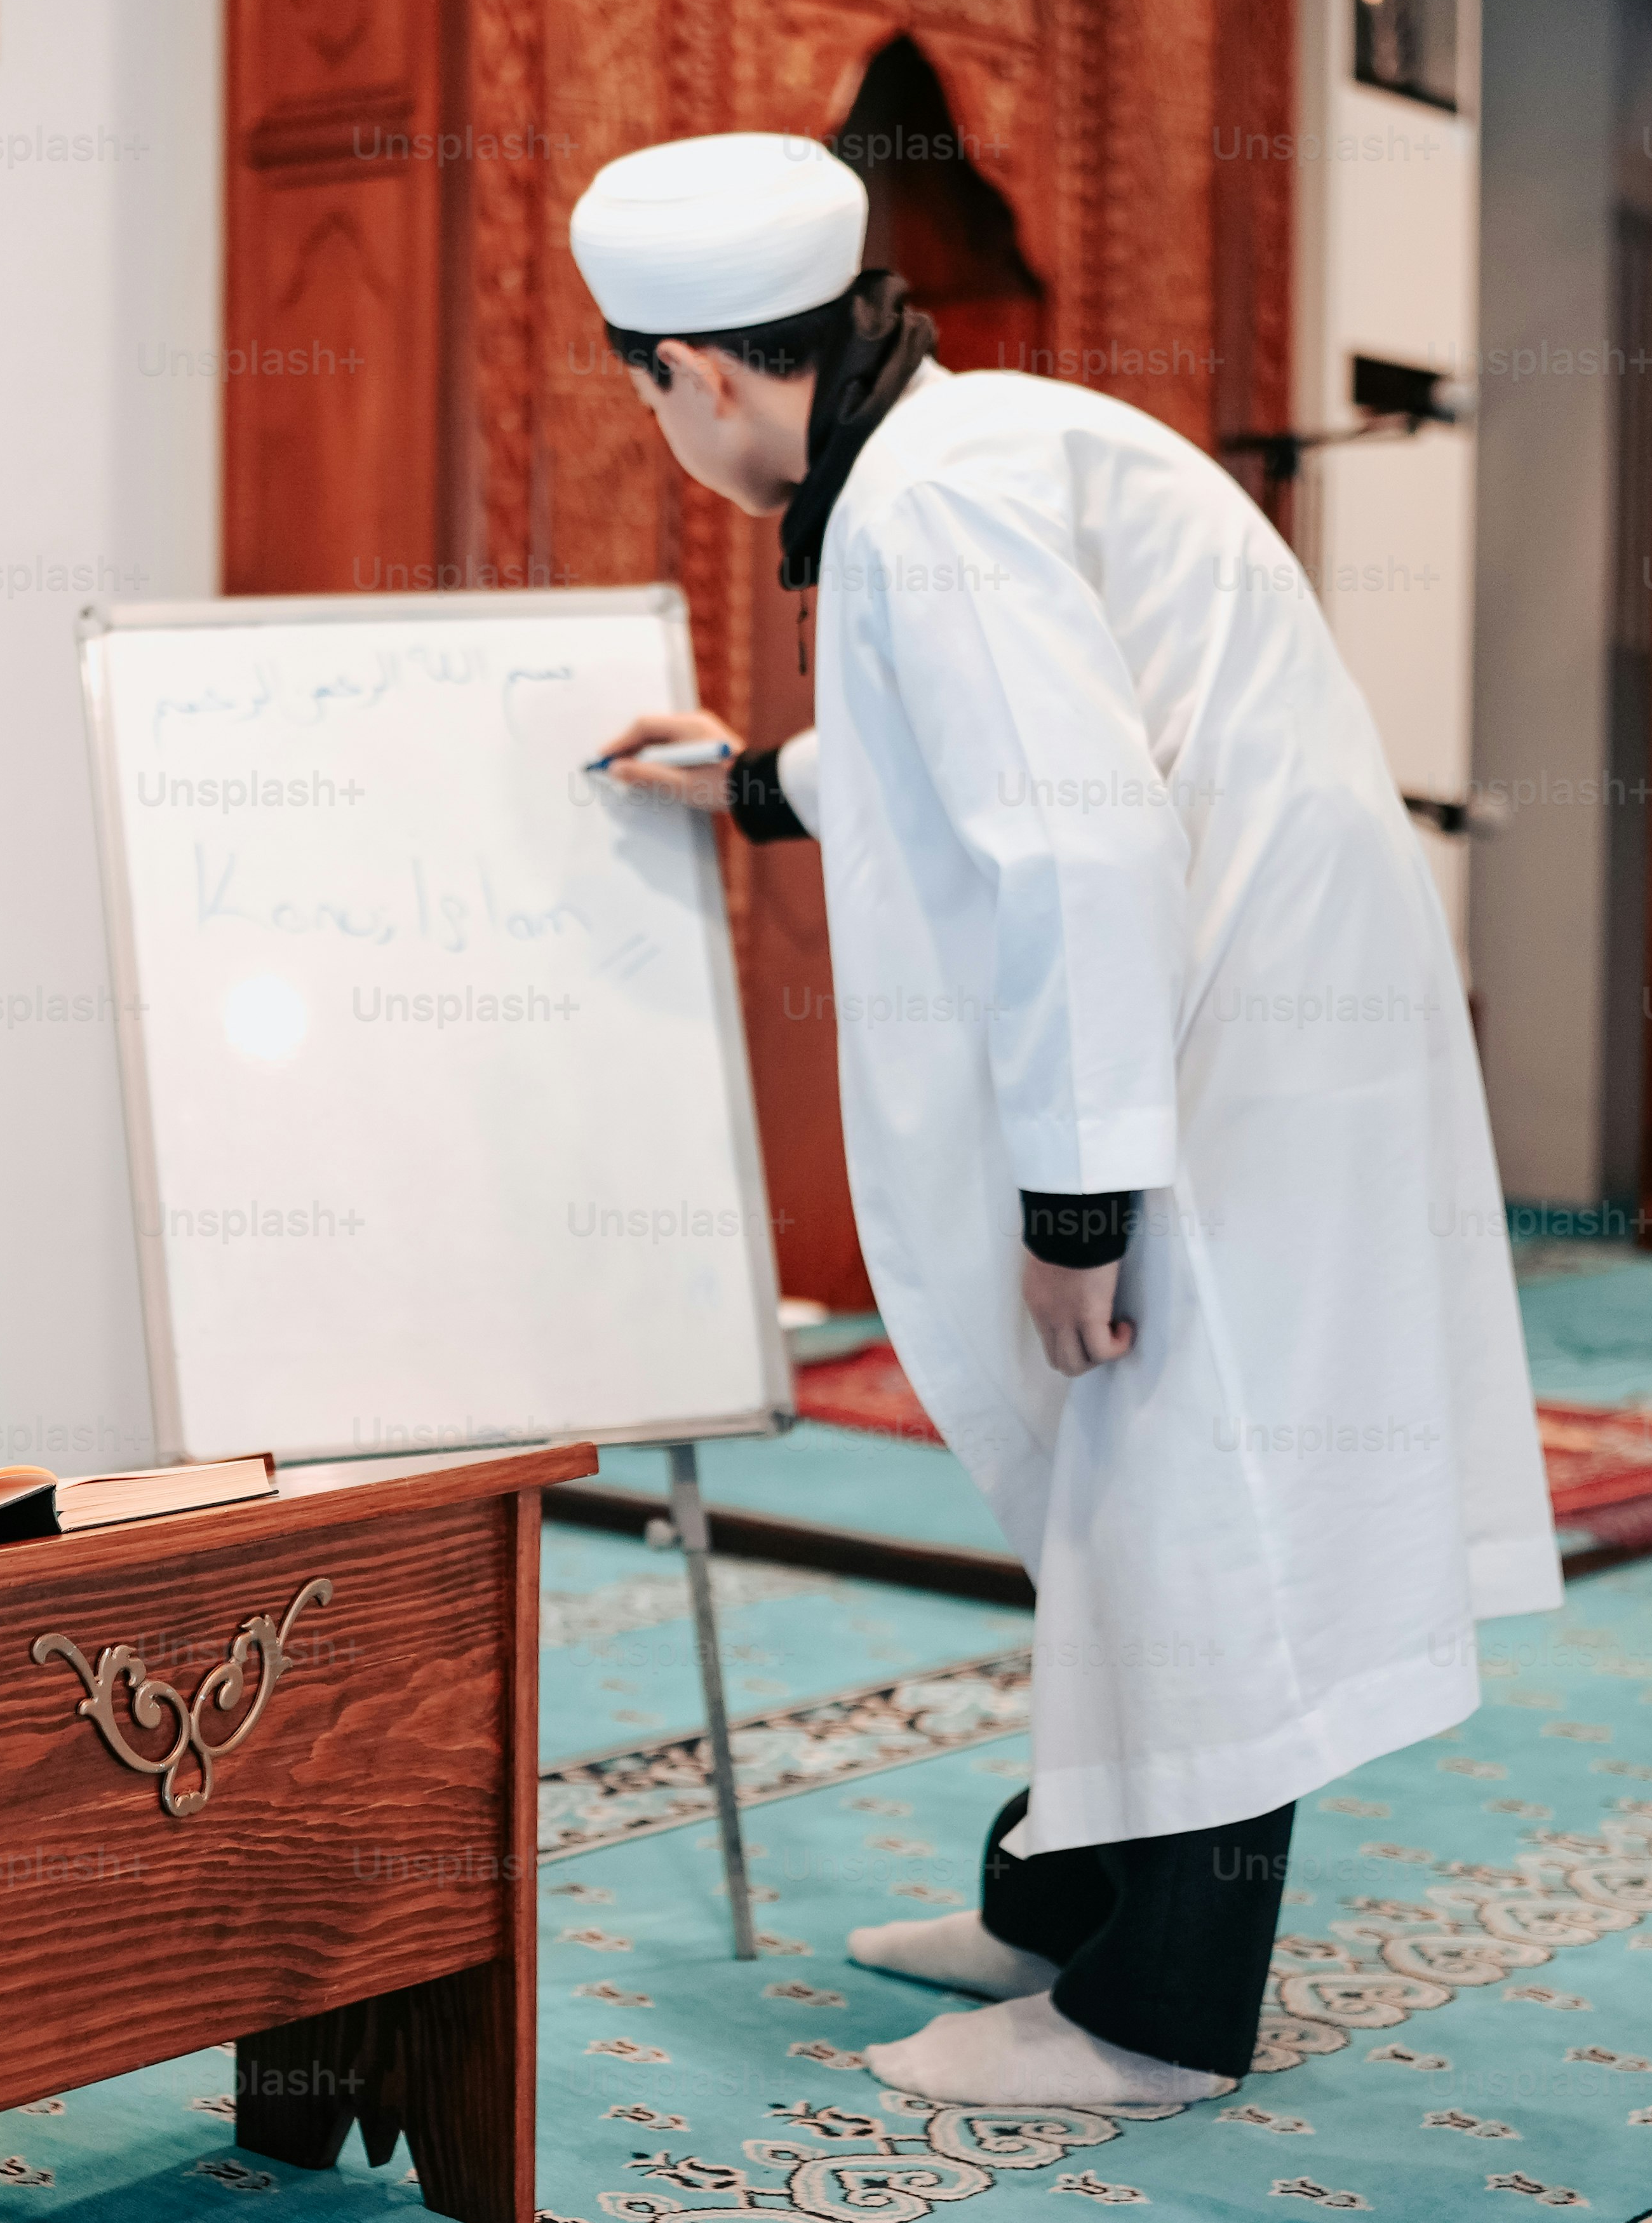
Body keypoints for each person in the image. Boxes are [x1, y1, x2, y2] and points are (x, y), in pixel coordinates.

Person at [570, 135, 1560, 2105]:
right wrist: (759, 782)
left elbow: (1081, 840)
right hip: (1235, 1006)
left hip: (1218, 1041)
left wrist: (1080, 1202)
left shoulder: (927, 502)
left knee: (1182, 1496)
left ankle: (1153, 2015)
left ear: (696, 371)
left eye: (649, 394)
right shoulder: (959, 456)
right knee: (1129, 1500)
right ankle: (1061, 1904)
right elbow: (992, 753)